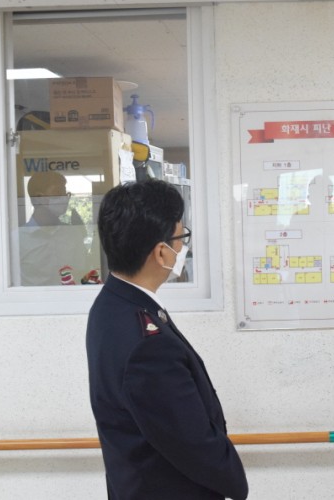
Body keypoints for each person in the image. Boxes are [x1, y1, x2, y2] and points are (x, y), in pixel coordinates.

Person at [85, 179, 248, 500]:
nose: (183, 248)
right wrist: (234, 480)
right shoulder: (148, 343)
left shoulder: (111, 305)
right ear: (161, 252)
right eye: (181, 238)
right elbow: (190, 440)